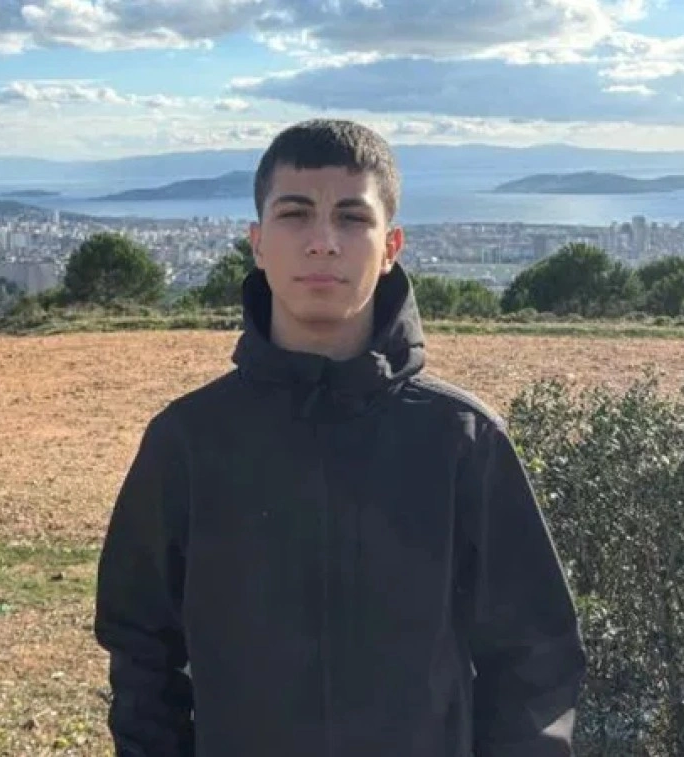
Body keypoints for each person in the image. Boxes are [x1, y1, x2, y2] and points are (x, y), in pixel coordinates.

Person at [93, 119, 587, 756]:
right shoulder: (187, 442)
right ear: (257, 243)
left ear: (391, 247)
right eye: (295, 214)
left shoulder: (462, 440)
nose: (323, 242)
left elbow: (534, 657)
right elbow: (141, 650)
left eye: (352, 218)